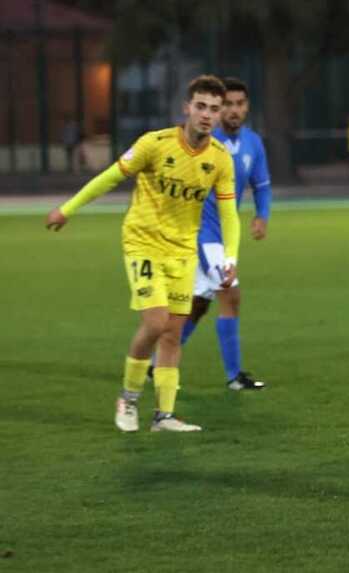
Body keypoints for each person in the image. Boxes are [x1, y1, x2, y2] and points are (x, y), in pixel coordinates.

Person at [45, 75, 241, 432]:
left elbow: (229, 213)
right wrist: (67, 209)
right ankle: (129, 398)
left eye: (215, 109)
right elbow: (109, 177)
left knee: (172, 333)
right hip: (144, 242)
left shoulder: (220, 159)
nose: (207, 115)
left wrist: (231, 257)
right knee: (155, 323)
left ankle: (163, 415)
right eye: (201, 106)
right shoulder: (155, 144)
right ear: (187, 108)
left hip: (182, 251)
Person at [168, 76, 272, 391]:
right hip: (201, 232)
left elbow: (262, 186)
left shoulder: (253, 143)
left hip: (222, 233)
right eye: (227, 104)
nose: (233, 110)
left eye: (239, 104)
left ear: (247, 106)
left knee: (199, 303)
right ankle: (234, 377)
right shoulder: (205, 143)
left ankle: (157, 361)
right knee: (231, 294)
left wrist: (261, 216)